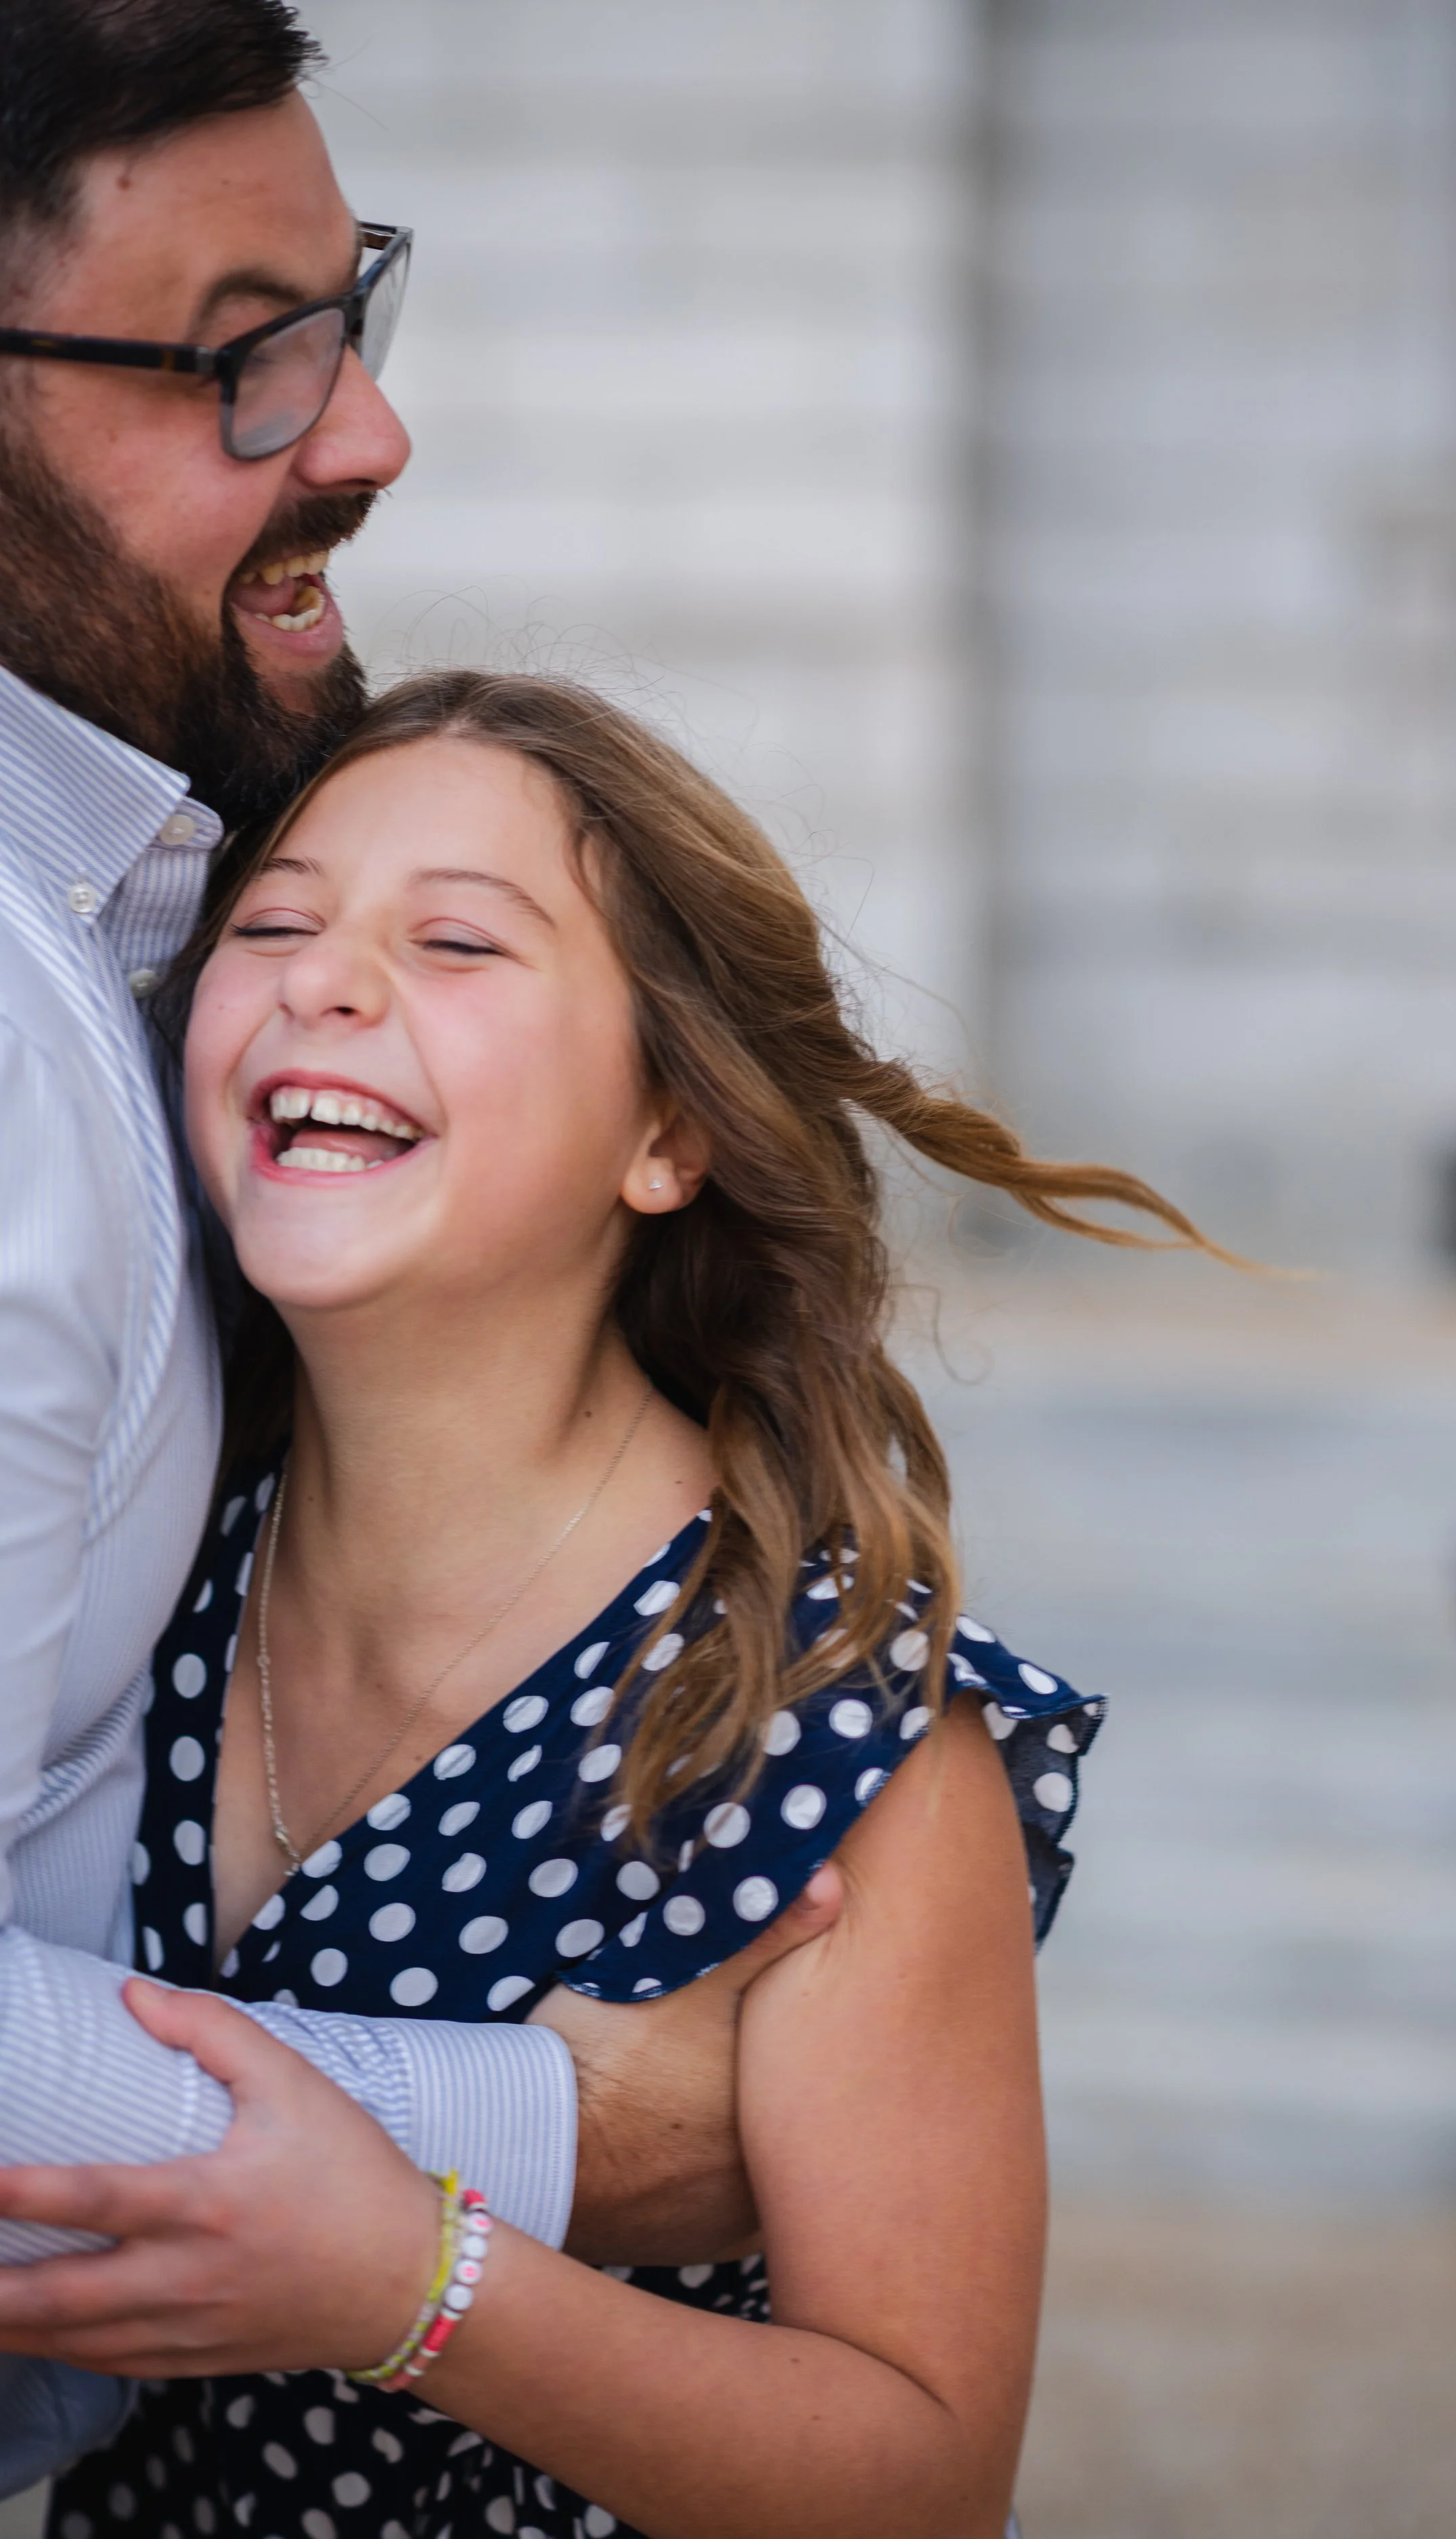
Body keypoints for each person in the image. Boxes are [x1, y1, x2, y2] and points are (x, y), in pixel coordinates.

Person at [0, 670, 1215, 2538]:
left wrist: (415, 2287)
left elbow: (919, 2481)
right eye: (276, 919)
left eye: (458, 939)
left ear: (669, 1131)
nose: (326, 979)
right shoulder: (130, 1575)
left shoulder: (820, 1737)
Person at [0, 0, 829, 2489]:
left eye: (348, 312)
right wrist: (547, 2149)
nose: (361, 434)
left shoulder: (816, 1719)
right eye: (243, 361)